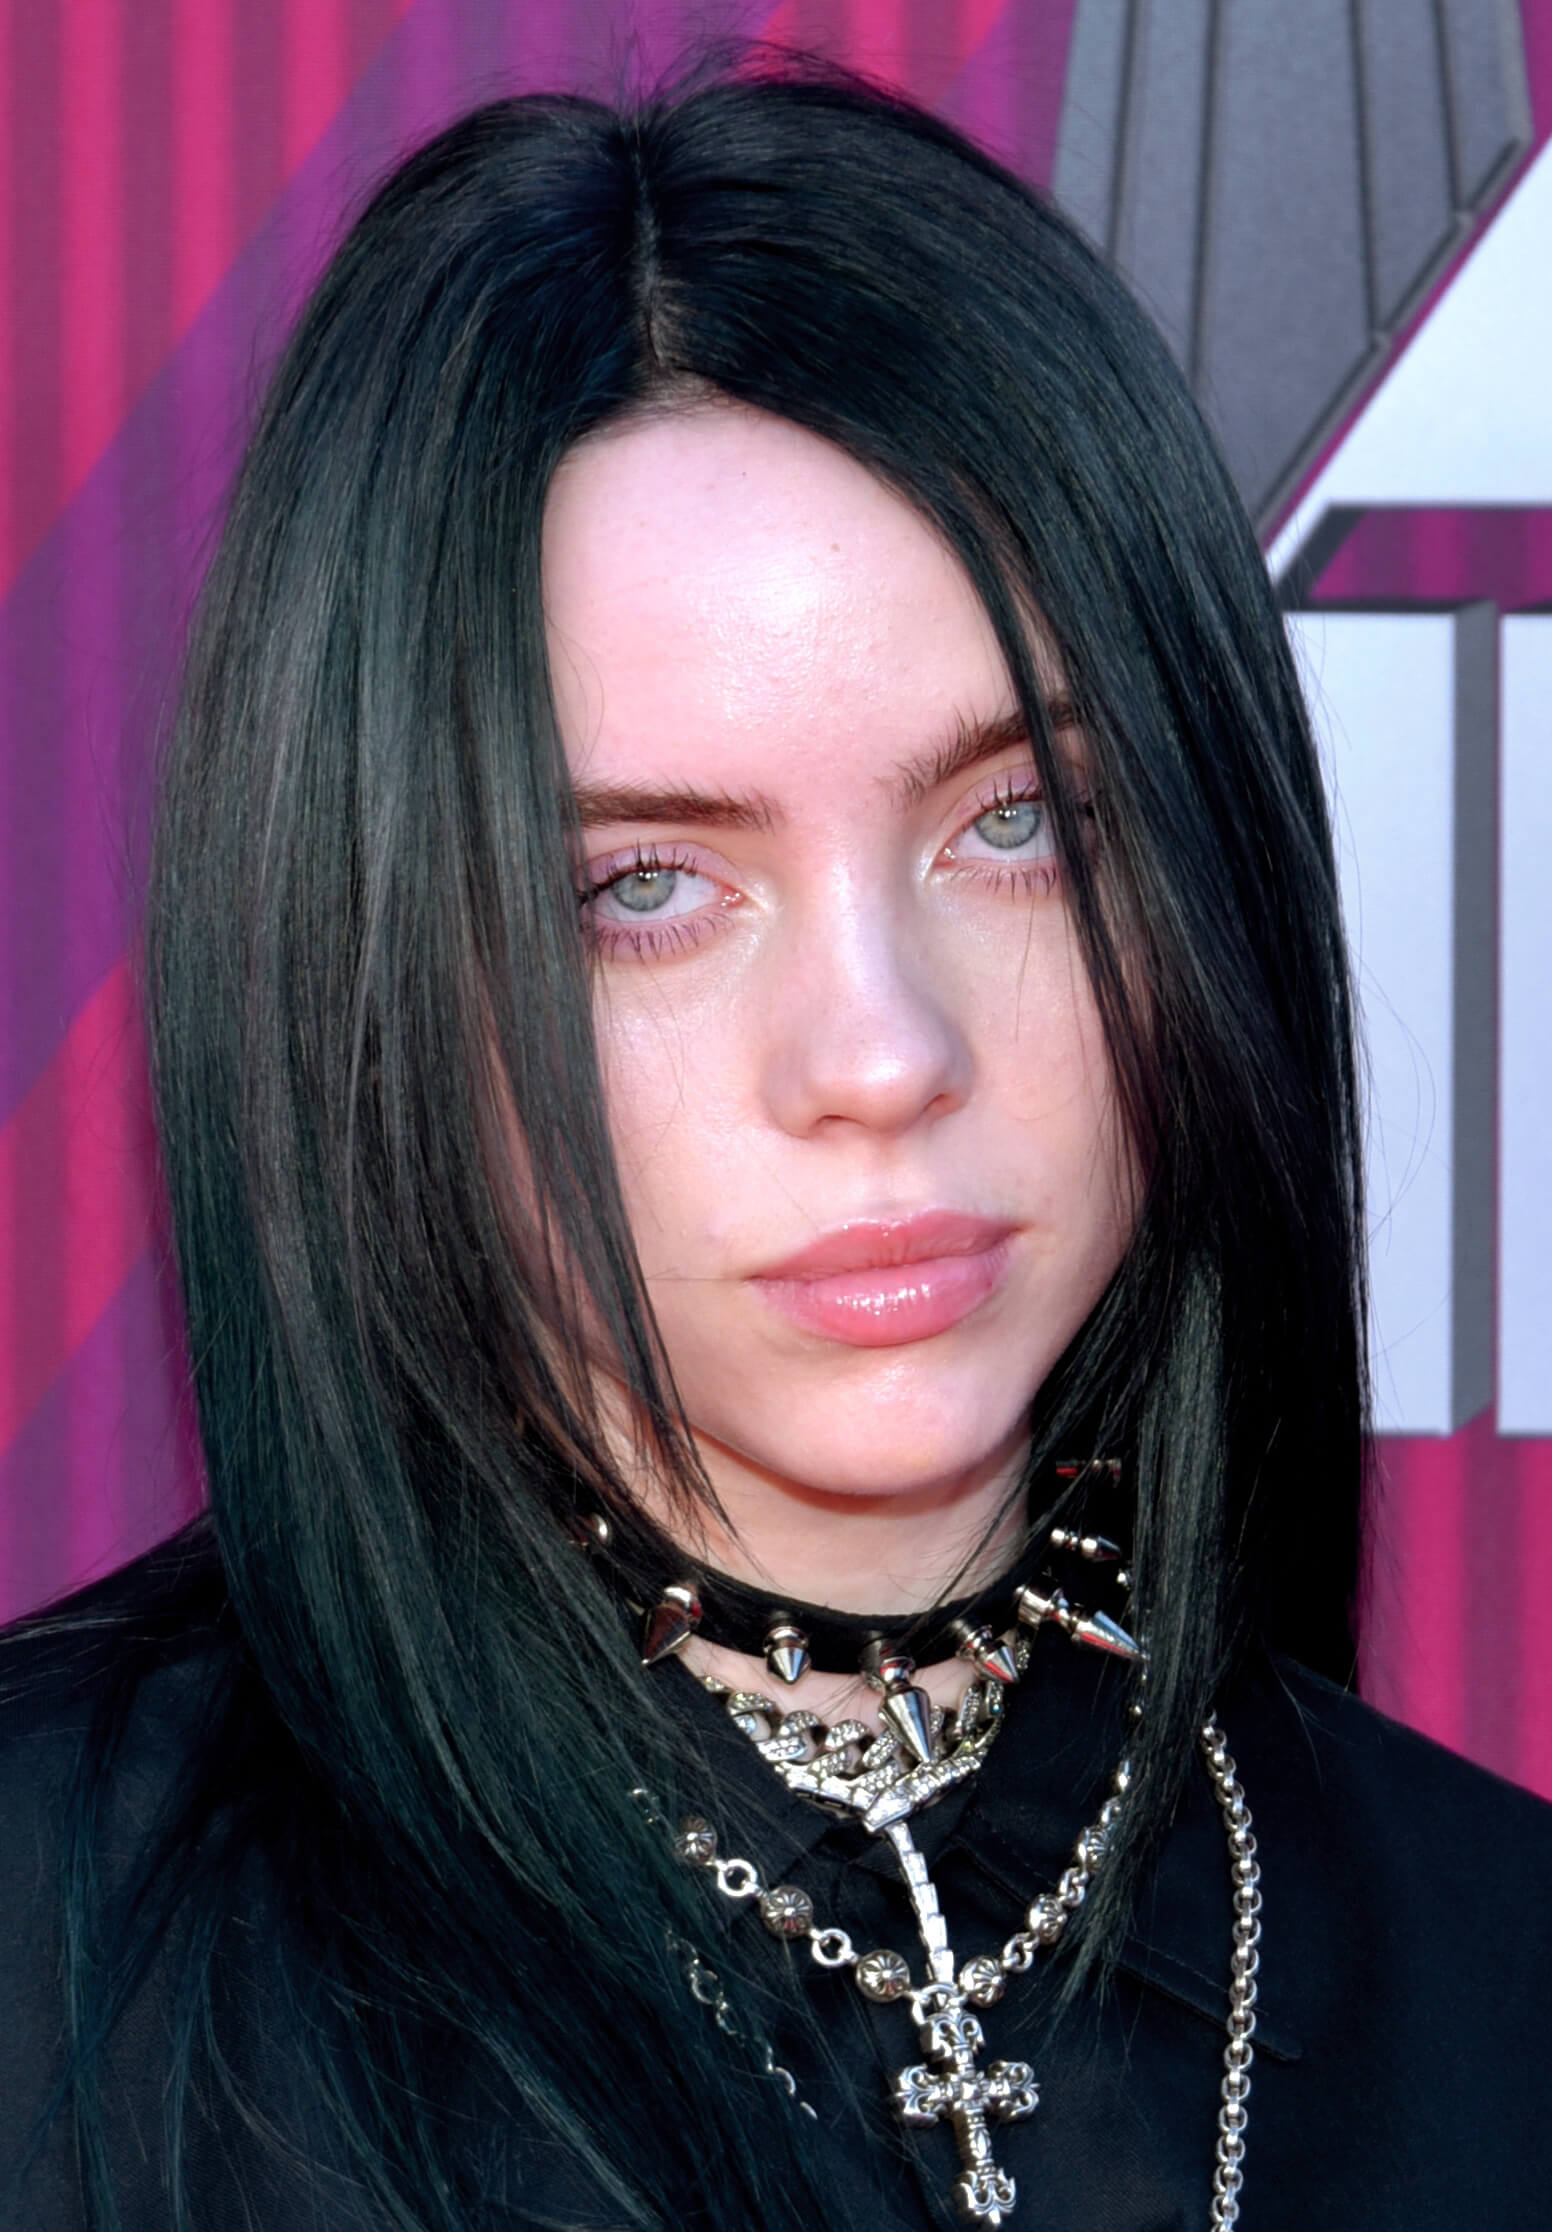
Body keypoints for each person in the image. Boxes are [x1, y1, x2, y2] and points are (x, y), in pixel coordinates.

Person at [2, 57, 1548, 2232]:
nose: (881, 1053)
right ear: (365, 968)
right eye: (645, 887)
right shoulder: (54, 1947)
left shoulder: (1488, 1963)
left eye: (1019, 825)